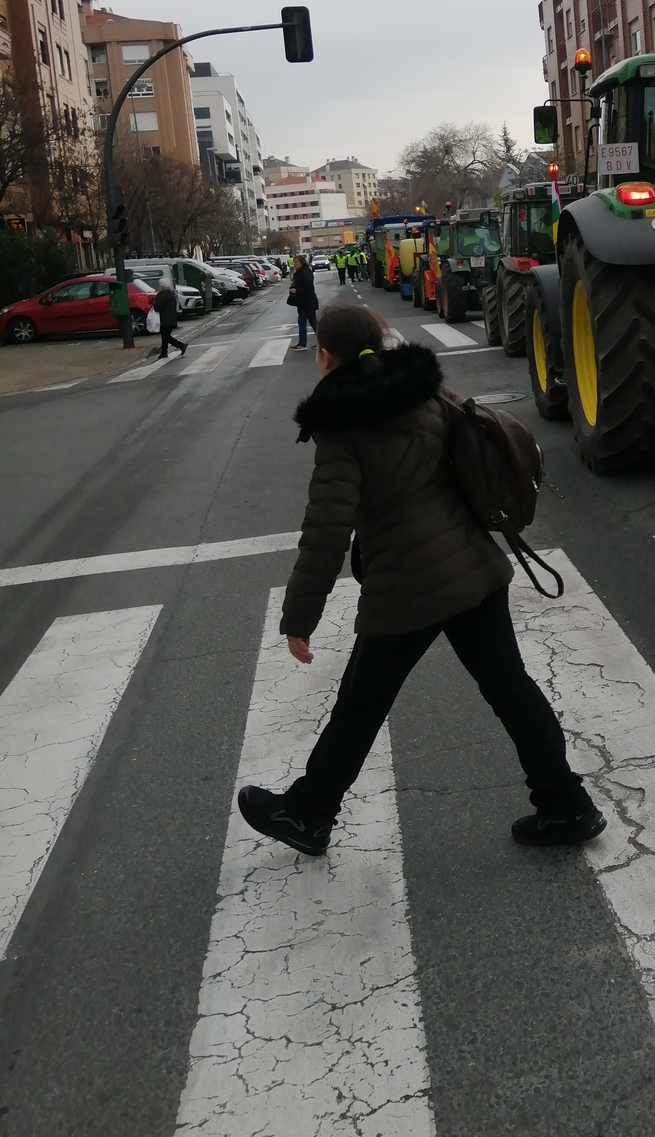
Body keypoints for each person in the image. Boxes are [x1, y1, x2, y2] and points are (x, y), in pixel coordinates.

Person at [236, 302, 605, 855]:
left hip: (407, 584)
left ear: (326, 357)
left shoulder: (342, 423)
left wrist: (299, 617)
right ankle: (566, 803)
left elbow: (326, 528)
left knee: (360, 704)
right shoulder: (423, 389)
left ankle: (308, 814)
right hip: (472, 567)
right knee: (511, 688)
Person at [289, 254, 319, 349]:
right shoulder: (299, 272)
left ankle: (302, 343)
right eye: (294, 262)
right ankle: (322, 342)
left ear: (302, 262)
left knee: (302, 321)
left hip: (307, 301)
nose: (294, 264)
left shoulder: (305, 272)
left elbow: (309, 287)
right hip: (304, 301)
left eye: (296, 262)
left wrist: (296, 290)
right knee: (313, 322)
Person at [153, 277, 188, 359]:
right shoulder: (170, 294)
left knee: (166, 336)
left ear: (161, 286)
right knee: (165, 336)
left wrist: (154, 304)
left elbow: (158, 307)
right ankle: (164, 352)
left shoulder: (161, 295)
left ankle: (181, 345)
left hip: (165, 319)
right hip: (171, 318)